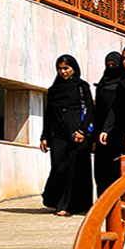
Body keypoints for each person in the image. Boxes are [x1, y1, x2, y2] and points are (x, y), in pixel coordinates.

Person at [40, 54, 95, 217]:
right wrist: (44, 136)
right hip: (58, 134)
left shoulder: (81, 86)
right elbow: (48, 114)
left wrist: (82, 131)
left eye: (66, 68)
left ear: (73, 69)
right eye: (60, 68)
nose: (63, 72)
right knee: (59, 168)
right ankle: (54, 199)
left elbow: (90, 110)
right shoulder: (53, 90)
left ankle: (67, 205)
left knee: (74, 169)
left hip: (76, 133)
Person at [92, 51, 123, 195]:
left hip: (119, 133)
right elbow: (97, 113)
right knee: (102, 171)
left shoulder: (123, 85)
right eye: (108, 65)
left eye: (114, 65)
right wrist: (94, 137)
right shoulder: (101, 85)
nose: (111, 68)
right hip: (102, 137)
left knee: (117, 169)